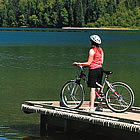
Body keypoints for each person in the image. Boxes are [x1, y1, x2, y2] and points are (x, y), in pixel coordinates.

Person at [73, 35, 104, 112]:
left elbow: (89, 63)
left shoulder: (92, 51)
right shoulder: (101, 50)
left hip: (93, 70)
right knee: (98, 87)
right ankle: (100, 106)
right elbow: (101, 62)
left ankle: (92, 107)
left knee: (92, 89)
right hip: (100, 69)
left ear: (92, 42)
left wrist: (79, 64)